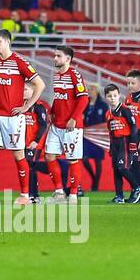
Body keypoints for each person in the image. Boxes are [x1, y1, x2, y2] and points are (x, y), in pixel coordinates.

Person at [0, 28, 45, 206]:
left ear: (8, 42)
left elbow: (40, 84)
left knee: (18, 155)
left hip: (13, 117)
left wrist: (27, 106)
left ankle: (25, 195)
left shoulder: (19, 62)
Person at [42, 45, 88, 203]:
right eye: (55, 56)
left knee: (72, 159)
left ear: (68, 59)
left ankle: (74, 194)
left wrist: (74, 118)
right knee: (49, 155)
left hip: (71, 126)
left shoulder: (74, 75)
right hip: (57, 124)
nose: (55, 59)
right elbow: (58, 97)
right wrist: (52, 111)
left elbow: (83, 98)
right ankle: (60, 192)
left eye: (58, 56)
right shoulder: (56, 76)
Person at [103, 84, 140, 203]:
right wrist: (111, 147)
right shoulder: (108, 113)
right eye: (109, 96)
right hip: (115, 143)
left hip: (124, 141)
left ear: (119, 95)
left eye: (115, 95)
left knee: (122, 167)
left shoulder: (125, 110)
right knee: (116, 169)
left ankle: (137, 188)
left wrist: (132, 144)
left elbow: (134, 127)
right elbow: (111, 131)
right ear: (106, 97)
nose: (112, 98)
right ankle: (119, 196)